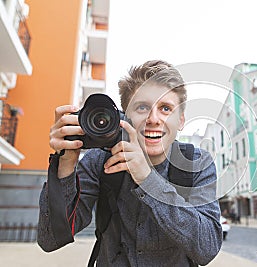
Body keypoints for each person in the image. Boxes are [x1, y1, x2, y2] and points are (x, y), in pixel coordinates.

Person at [37, 60, 222, 266]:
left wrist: (148, 180)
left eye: (166, 108)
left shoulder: (197, 163)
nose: (154, 119)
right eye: (142, 107)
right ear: (124, 116)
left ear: (180, 120)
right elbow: (50, 240)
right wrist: (66, 165)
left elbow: (208, 247)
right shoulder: (100, 160)